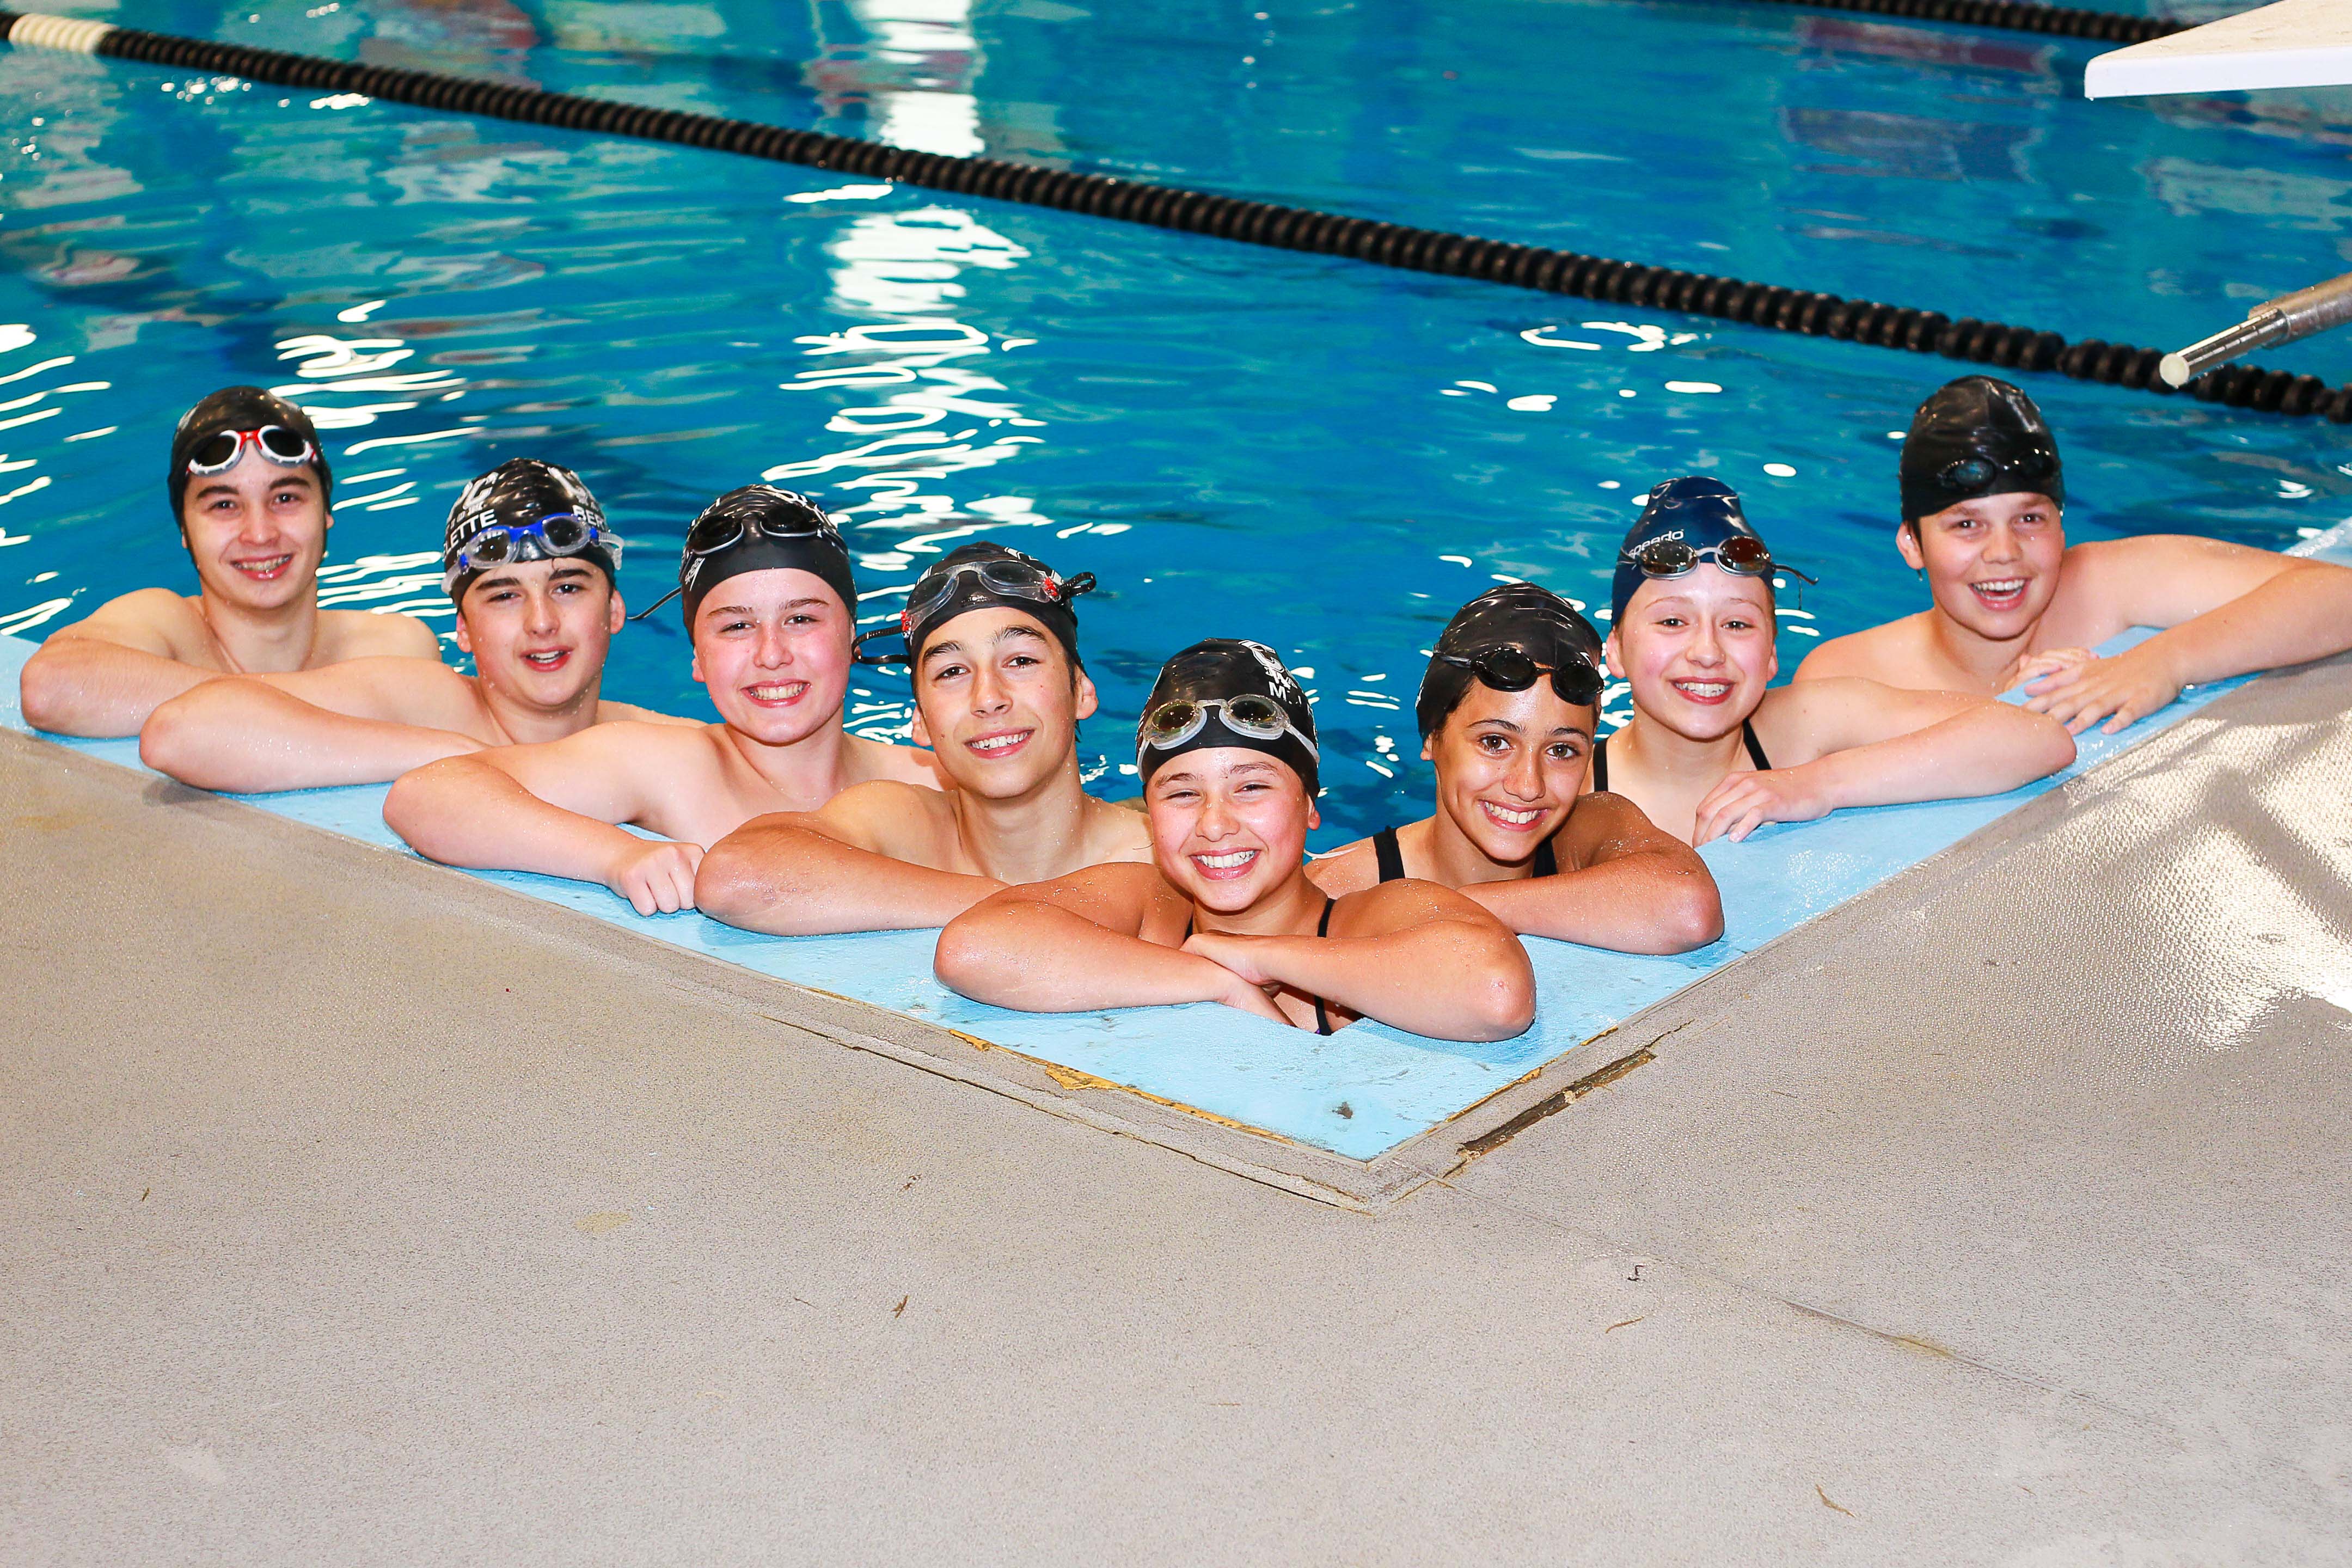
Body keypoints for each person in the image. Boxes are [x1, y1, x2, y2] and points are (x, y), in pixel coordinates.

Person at [935, 638, 1536, 1042]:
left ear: (1309, 807)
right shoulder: (1150, 905)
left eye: (1251, 788)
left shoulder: (1371, 916)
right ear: (1150, 817)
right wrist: (1218, 983)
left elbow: (1497, 993)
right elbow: (974, 950)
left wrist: (1256, 957)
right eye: (1181, 793)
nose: (1215, 824)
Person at [383, 484, 941, 915]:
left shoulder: (928, 779)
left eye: (800, 619)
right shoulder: (669, 765)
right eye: (736, 627)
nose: (772, 654)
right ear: (697, 657)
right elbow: (429, 796)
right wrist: (613, 856)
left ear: (851, 635)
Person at [1796, 375, 2352, 732]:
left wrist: (2162, 661)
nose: (2004, 553)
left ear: (2062, 526)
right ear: (1912, 545)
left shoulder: (2108, 583)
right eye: (1966, 524)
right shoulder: (1848, 673)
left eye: (2030, 519)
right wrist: (2014, 711)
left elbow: (2338, 595)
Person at [139, 459, 682, 792]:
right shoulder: (421, 704)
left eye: (567, 587)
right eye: (504, 595)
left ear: (613, 610)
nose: (542, 622)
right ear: (464, 632)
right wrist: (468, 759)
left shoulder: (659, 745)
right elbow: (183, 733)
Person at [695, 542, 1152, 935]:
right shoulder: (905, 823)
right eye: (952, 672)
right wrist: (1017, 903)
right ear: (920, 722)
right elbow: (736, 878)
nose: (988, 698)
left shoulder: (1159, 854)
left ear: (1083, 691)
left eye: (1020, 661)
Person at [1592, 476, 2075, 846]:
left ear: (1771, 656)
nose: (1706, 652)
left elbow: (2039, 739)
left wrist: (1815, 785)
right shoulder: (1571, 788)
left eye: (1737, 625)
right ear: (1614, 650)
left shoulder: (1808, 727)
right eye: (1673, 622)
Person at [1312, 584, 1722, 952]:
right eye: (1495, 743)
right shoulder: (1339, 889)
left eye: (1561, 750)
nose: (1528, 785)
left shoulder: (1589, 828)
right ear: (1433, 738)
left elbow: (1690, 911)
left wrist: (1455, 906)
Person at [19, 386, 438, 737]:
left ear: (326, 512)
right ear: (184, 530)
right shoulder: (164, 623)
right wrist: (315, 703)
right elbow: (50, 687)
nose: (260, 534)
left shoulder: (395, 646)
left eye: (286, 498)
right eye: (224, 505)